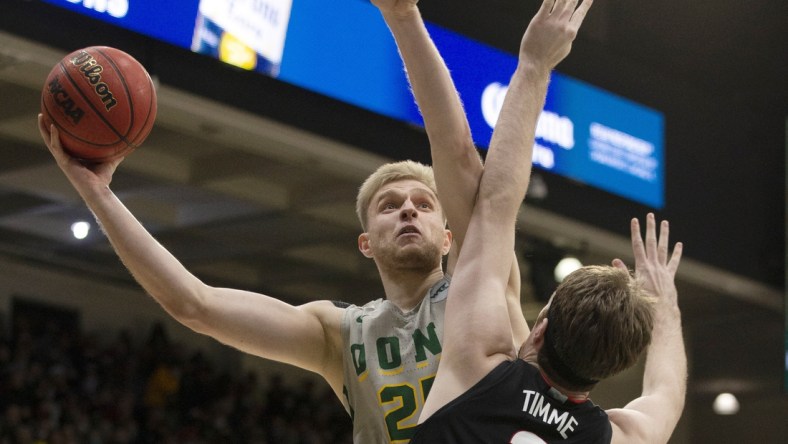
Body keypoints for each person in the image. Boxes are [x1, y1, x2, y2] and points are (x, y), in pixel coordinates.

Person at [38, 1, 528, 442]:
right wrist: (96, 191)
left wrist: (403, 17)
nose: (406, 209)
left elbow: (456, 150)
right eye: (389, 205)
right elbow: (195, 304)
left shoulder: (479, 281)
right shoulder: (339, 332)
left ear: (449, 238)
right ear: (366, 244)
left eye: (424, 204)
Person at [410, 1, 687, 442]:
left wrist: (535, 63)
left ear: (539, 328)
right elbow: (666, 394)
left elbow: (496, 205)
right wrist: (665, 309)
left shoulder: (480, 363)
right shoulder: (611, 437)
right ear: (614, 368)